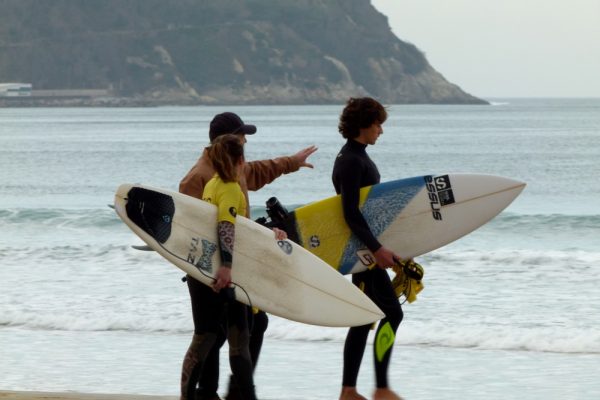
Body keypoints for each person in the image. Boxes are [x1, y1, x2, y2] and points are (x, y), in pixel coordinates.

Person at [179, 112, 317, 400]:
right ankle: (213, 392)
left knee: (241, 328)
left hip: (236, 265)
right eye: (241, 137)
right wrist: (215, 269)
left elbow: (258, 171)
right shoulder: (197, 179)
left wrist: (291, 162)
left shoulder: (231, 170)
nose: (245, 141)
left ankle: (230, 392)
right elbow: (196, 231)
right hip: (214, 271)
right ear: (226, 141)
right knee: (213, 334)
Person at [332, 98, 404, 400]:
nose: (381, 131)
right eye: (378, 124)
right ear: (364, 124)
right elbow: (350, 213)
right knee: (391, 314)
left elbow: (367, 210)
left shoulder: (355, 156)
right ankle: (380, 388)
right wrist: (376, 249)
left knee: (364, 317)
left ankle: (352, 390)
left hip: (364, 251)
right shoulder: (351, 160)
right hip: (363, 254)